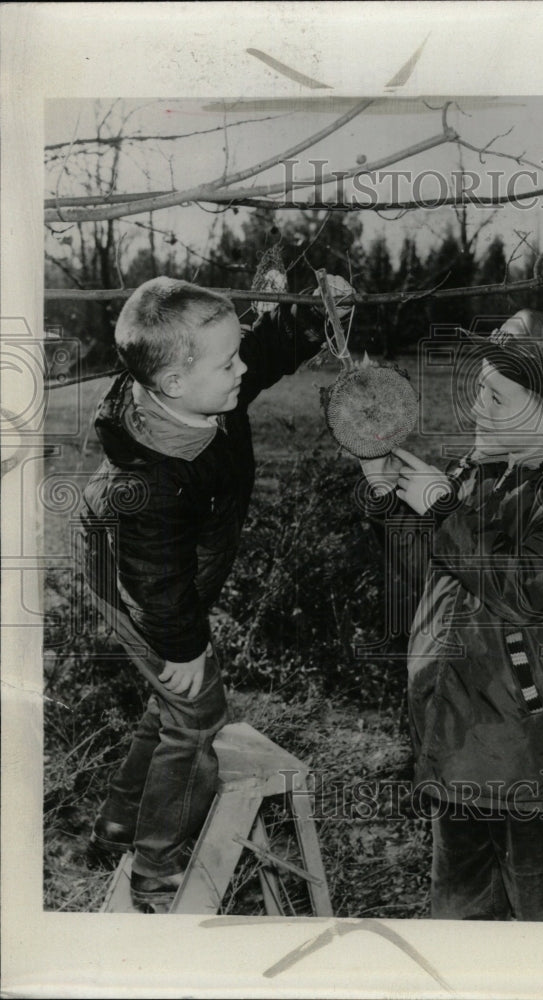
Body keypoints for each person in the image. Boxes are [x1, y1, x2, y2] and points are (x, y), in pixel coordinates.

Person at [358, 309, 543, 921]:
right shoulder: (486, 470)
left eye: (495, 397)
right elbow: (436, 578)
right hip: (455, 733)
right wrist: (390, 499)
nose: (476, 410)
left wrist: (442, 509)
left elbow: (528, 587)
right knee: (459, 916)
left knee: (542, 927)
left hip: (526, 755)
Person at [77, 275, 343, 913]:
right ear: (173, 384)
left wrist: (308, 315)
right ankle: (156, 866)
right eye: (230, 362)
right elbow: (156, 580)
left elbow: (261, 353)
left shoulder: (203, 387)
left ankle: (119, 821)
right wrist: (185, 646)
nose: (242, 369)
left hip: (164, 575)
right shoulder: (148, 481)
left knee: (171, 698)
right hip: (136, 584)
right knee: (197, 713)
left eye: (237, 354)